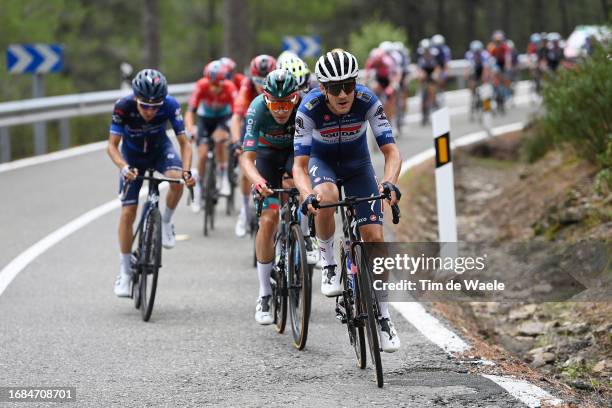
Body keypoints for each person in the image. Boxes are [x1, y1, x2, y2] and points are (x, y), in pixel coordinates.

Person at [293, 50, 402, 352]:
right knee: (326, 196)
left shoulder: (367, 100)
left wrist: (391, 181)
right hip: (322, 163)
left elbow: (391, 151)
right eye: (336, 87)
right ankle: (328, 262)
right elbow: (299, 166)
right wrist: (306, 195)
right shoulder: (309, 108)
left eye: (349, 85)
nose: (344, 94)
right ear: (323, 89)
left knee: (375, 239)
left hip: (357, 166)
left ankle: (383, 315)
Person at [107, 69, 195, 297]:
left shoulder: (170, 104)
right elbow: (112, 146)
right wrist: (124, 167)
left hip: (159, 151)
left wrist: (186, 171)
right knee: (128, 212)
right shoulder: (123, 106)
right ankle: (125, 271)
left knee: (176, 180)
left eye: (155, 107)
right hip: (132, 157)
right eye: (145, 105)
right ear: (135, 98)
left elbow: (185, 143)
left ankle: (165, 222)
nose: (150, 111)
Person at [239, 69, 301, 324]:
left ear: (295, 98)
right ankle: (264, 293)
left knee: (304, 190)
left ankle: (306, 240)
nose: (281, 110)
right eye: (275, 103)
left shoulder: (304, 107)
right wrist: (258, 181)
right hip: (265, 156)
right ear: (266, 100)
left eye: (287, 103)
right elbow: (246, 158)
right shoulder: (256, 109)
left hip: (294, 154)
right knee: (268, 219)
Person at [231, 55, 277, 237]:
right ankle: (244, 209)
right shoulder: (247, 87)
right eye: (257, 80)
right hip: (252, 124)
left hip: (274, 126)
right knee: (245, 165)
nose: (261, 85)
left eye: (264, 81)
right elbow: (236, 118)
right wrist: (236, 142)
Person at [185, 60, 237, 212]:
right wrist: (190, 129)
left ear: (223, 80)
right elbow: (190, 112)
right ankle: (199, 189)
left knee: (220, 139)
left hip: (223, 117)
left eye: (217, 84)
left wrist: (233, 133)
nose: (214, 88)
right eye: (211, 83)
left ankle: (223, 176)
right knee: (202, 154)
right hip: (205, 119)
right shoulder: (201, 85)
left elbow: (236, 114)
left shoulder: (230, 87)